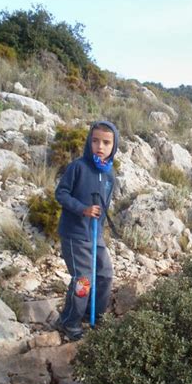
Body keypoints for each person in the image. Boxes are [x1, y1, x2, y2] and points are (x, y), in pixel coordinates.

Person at [55, 121, 119, 340]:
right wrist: (82, 209)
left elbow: (105, 206)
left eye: (106, 142)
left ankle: (96, 314)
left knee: (105, 274)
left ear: (114, 146)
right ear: (89, 142)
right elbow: (61, 194)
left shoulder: (110, 175)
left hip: (95, 235)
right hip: (74, 234)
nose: (100, 146)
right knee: (83, 279)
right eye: (95, 140)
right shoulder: (78, 167)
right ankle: (69, 321)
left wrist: (99, 230)